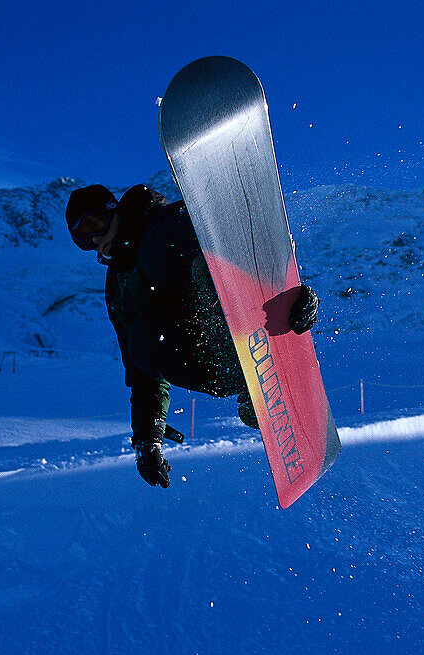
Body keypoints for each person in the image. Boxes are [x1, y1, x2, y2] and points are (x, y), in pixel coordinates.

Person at [66, 183, 319, 489]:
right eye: (82, 238)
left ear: (113, 209)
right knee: (142, 343)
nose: (95, 240)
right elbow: (141, 371)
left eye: (94, 225)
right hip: (211, 349)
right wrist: (148, 441)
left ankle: (263, 323)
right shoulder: (118, 288)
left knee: (167, 245)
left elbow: (239, 243)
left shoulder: (167, 221)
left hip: (227, 295)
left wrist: (290, 294)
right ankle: (248, 379)